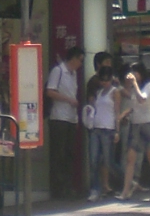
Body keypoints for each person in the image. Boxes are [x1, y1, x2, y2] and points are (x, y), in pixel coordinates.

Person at [118, 63, 150, 201]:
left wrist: (134, 84)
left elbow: (142, 99)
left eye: (135, 73)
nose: (133, 75)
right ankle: (125, 191)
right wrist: (123, 115)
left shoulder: (148, 85)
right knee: (130, 158)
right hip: (135, 125)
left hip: (147, 125)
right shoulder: (133, 88)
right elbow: (133, 106)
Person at [45, 47, 84, 199]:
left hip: (70, 117)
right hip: (58, 117)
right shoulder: (58, 71)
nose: (80, 64)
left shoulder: (73, 74)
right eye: (79, 60)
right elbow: (50, 91)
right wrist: (69, 100)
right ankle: (57, 188)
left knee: (69, 154)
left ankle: (67, 186)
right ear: (72, 58)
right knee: (58, 154)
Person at [83, 67, 119, 201]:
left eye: (107, 80)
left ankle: (126, 181)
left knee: (108, 162)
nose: (105, 82)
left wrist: (117, 131)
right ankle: (95, 190)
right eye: (102, 80)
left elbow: (116, 112)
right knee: (93, 160)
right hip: (96, 128)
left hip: (108, 129)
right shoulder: (98, 93)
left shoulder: (115, 92)